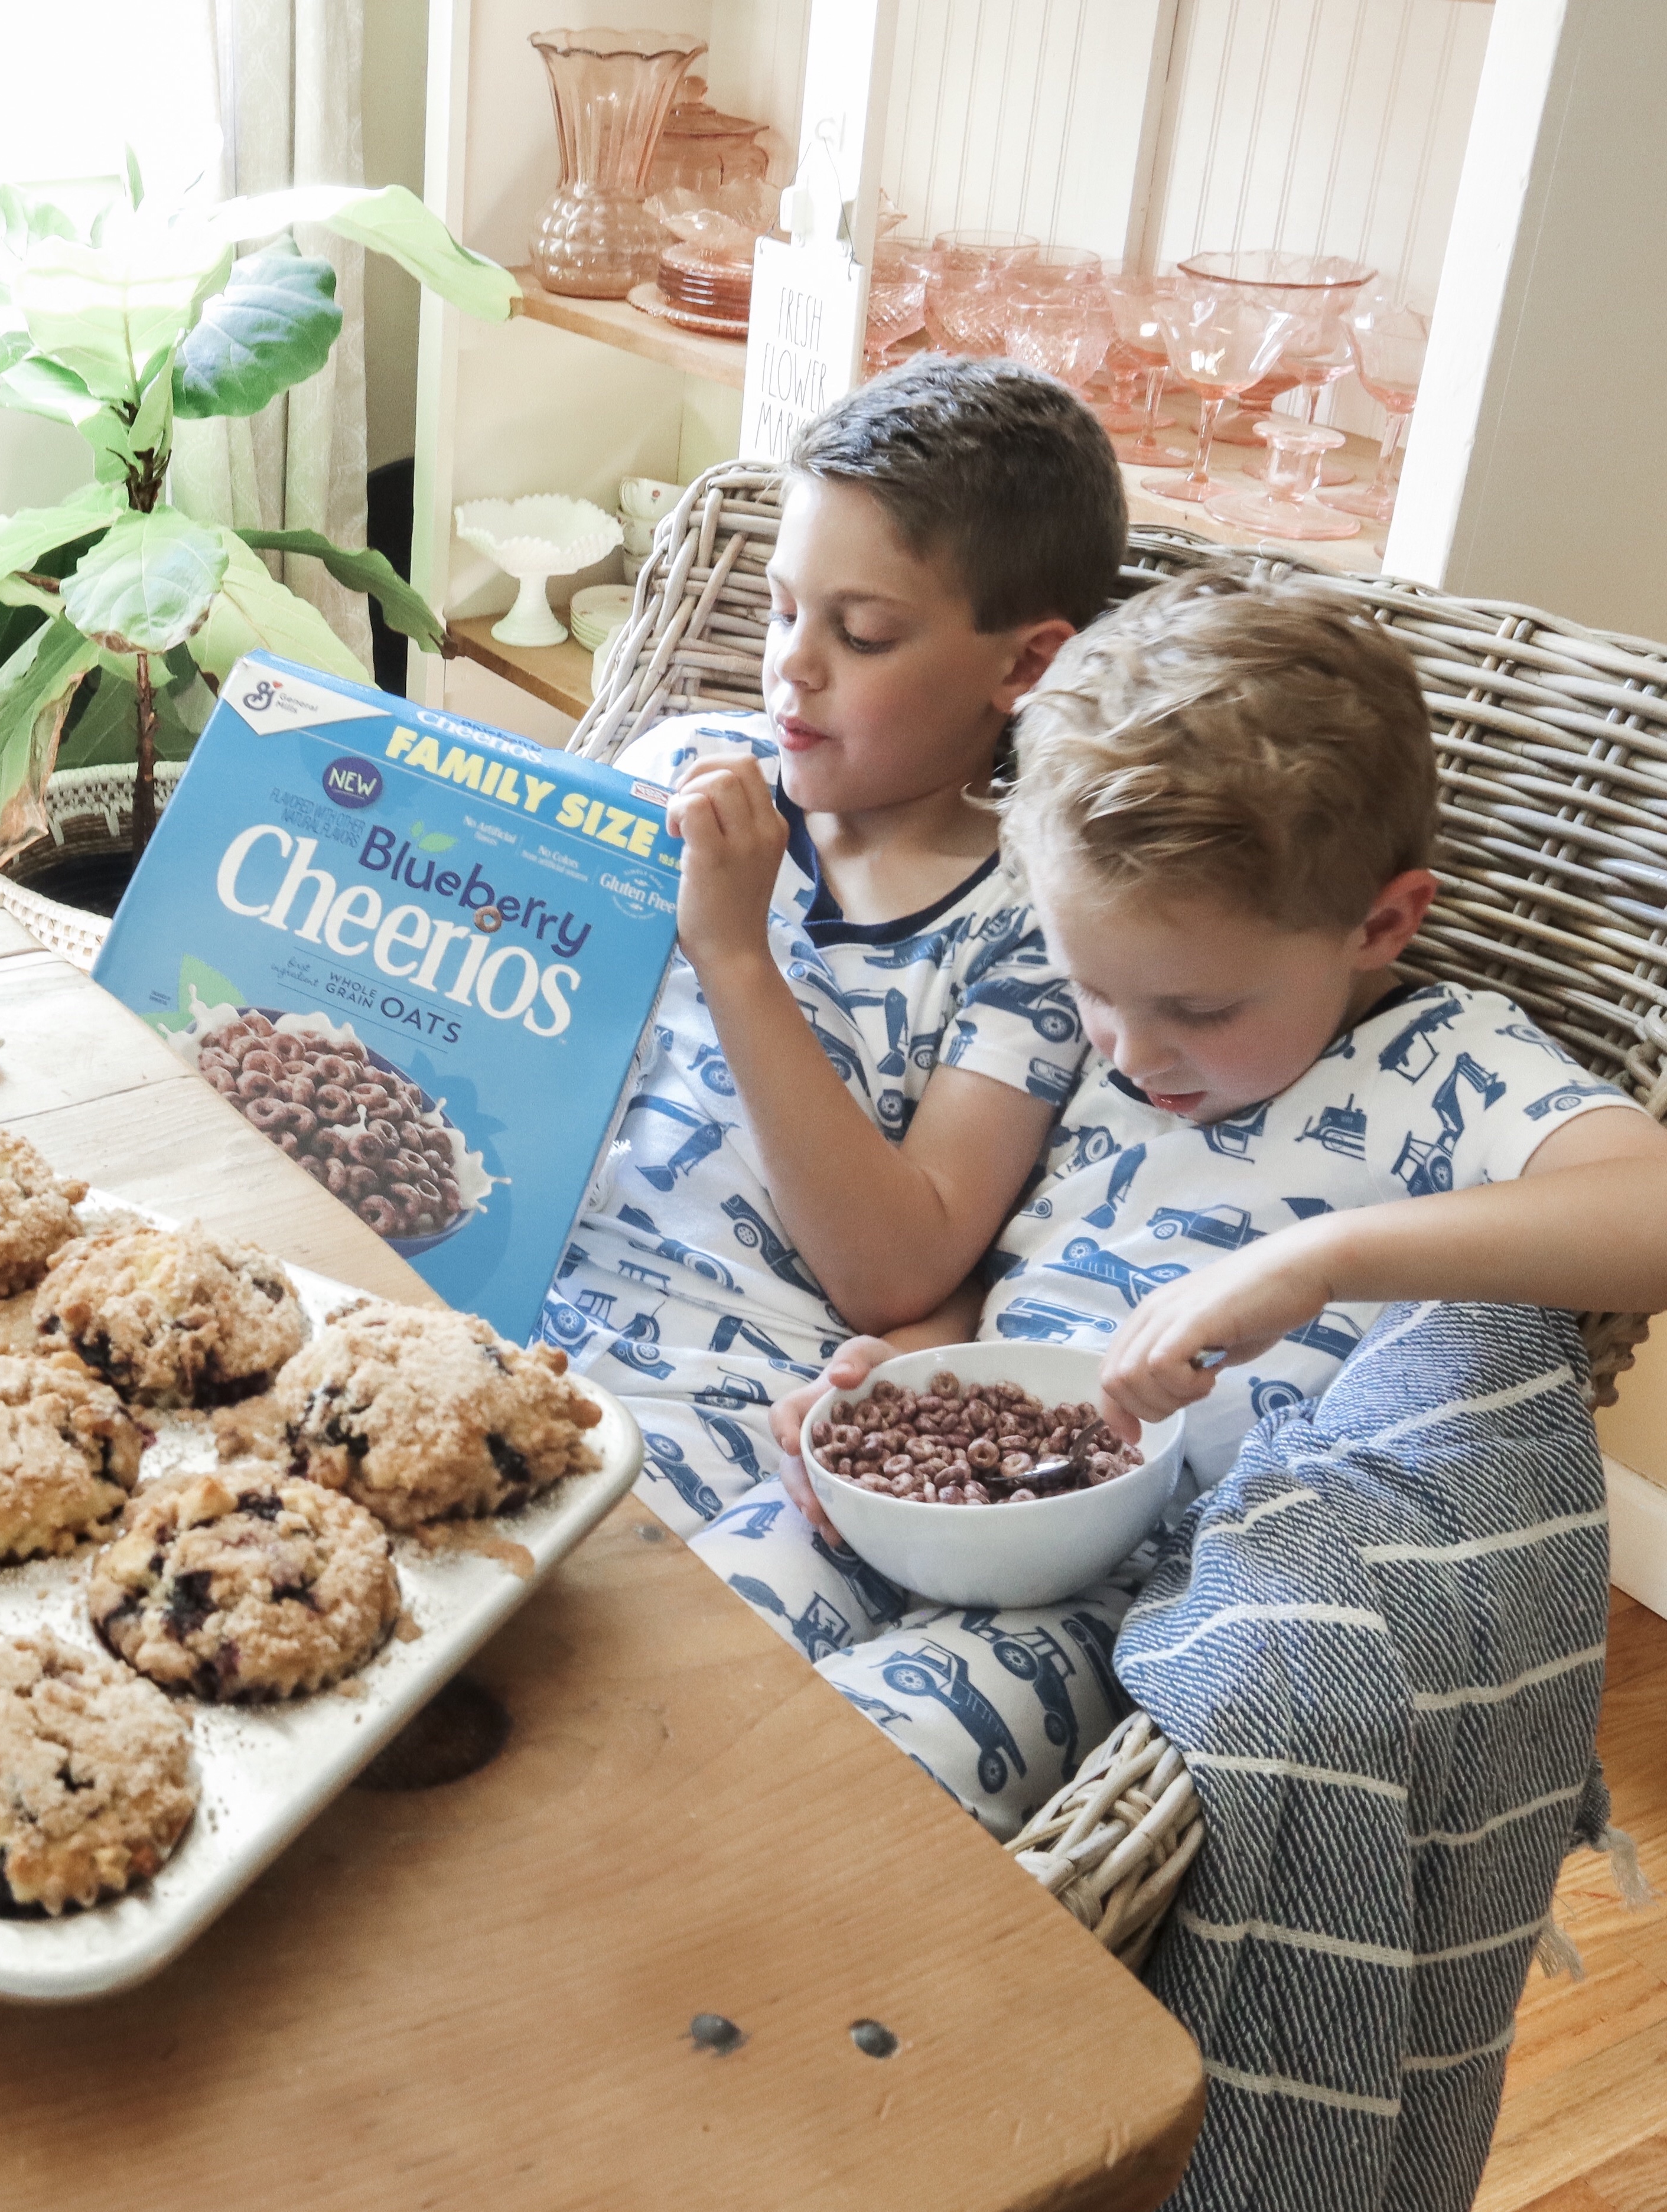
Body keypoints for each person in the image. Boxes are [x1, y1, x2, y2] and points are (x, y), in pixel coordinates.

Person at [724, 569, 1667, 1834]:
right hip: (922, 1516)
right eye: (1094, 989)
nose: (1132, 1054)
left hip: (1129, 1601)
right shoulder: (1115, 1042)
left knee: (829, 1792)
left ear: (1381, 922)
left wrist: (1321, 1260)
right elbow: (1012, 1265)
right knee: (678, 1640)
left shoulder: (1452, 1067)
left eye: (1201, 1010)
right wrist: (897, 1375)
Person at [538, 359, 1128, 1548]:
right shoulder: (682, 763)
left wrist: (737, 960)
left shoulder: (1028, 920)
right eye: (780, 608)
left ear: (1025, 665)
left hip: (698, 1401)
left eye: (860, 634)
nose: (793, 665)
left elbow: (899, 1269)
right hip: (487, 1281)